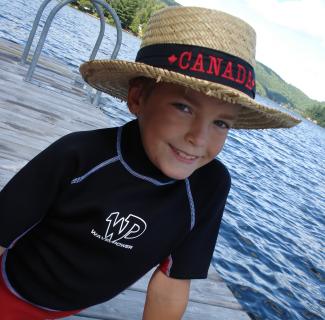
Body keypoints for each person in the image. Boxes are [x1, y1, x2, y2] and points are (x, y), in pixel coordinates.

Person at [0, 6, 300, 320]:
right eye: (184, 107)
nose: (198, 138)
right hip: (11, 288)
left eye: (221, 123)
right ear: (138, 99)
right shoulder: (77, 156)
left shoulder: (208, 185)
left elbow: (173, 279)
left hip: (71, 305)